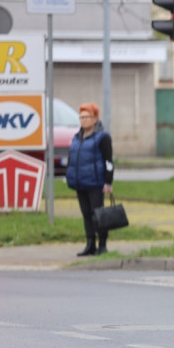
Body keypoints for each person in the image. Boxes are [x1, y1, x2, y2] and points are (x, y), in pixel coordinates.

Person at [66, 102, 114, 256]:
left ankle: (102, 245)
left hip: (96, 183)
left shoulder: (102, 137)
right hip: (80, 182)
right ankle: (90, 244)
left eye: (87, 117)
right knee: (86, 214)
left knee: (98, 214)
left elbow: (108, 161)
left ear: (95, 119)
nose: (84, 120)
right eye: (81, 117)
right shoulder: (76, 138)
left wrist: (108, 182)